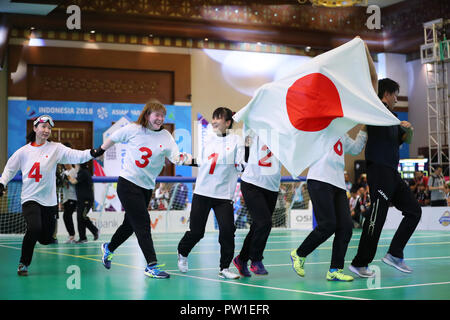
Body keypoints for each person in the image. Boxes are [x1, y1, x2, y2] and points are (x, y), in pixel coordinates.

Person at [95, 99, 191, 279]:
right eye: (157, 114)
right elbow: (113, 137)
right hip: (128, 183)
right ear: (147, 115)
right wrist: (99, 150)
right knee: (143, 224)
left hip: (146, 187)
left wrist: (187, 158)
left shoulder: (166, 136)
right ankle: (151, 265)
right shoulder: (133, 129)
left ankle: (109, 247)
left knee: (129, 225)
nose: (160, 118)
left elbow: (176, 157)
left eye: (162, 115)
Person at [0, 115, 96, 276]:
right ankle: (23, 263)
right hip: (30, 198)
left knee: (45, 239)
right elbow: (9, 169)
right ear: (35, 128)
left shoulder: (56, 148)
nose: (46, 130)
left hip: (49, 201)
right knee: (34, 227)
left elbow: (76, 155)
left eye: (49, 128)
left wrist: (93, 152)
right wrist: (2, 183)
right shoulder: (23, 152)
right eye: (43, 127)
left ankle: (40, 239)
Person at [350, 78, 422, 277]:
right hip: (379, 171)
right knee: (377, 216)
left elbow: (405, 139)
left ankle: (395, 253)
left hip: (392, 173)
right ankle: (359, 263)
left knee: (414, 211)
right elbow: (370, 87)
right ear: (387, 94)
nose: (397, 99)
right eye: (395, 95)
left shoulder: (393, 118)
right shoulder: (375, 110)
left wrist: (409, 130)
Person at [290, 126, 368, 281]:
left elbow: (356, 148)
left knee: (346, 227)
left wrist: (365, 128)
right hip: (319, 179)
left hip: (338, 184)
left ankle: (335, 269)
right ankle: (299, 254)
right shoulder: (317, 128)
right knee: (328, 224)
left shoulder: (342, 133)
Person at [177, 107, 244, 280]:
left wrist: (243, 165)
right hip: (203, 192)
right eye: (213, 117)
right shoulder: (207, 138)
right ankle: (182, 251)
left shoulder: (237, 140)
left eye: (218, 118)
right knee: (197, 232)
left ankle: (224, 267)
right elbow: (201, 161)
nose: (214, 121)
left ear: (228, 122)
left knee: (227, 231)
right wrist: (186, 159)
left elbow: (240, 164)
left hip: (223, 195)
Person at [232, 128, 281, 277]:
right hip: (252, 182)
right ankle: (256, 260)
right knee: (264, 223)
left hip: (272, 185)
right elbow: (248, 121)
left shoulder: (284, 133)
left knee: (257, 226)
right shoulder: (257, 129)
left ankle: (241, 259)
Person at [65, 161, 99, 243]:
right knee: (79, 218)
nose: (75, 165)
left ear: (80, 165)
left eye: (76, 164)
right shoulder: (81, 172)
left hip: (86, 200)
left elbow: (73, 181)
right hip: (81, 200)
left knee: (82, 217)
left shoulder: (83, 173)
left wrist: (66, 175)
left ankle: (95, 230)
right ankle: (83, 238)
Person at [60, 160, 78, 243]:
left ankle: (72, 236)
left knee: (67, 215)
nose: (66, 164)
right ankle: (71, 235)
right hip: (66, 198)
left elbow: (74, 182)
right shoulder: (63, 173)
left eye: (67, 162)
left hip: (73, 197)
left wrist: (67, 176)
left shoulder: (73, 171)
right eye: (65, 163)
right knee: (66, 217)